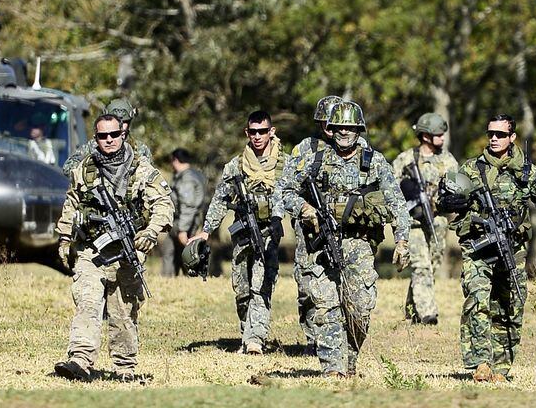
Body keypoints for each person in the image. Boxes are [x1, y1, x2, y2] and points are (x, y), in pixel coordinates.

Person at [437, 114, 536, 383]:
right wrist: (449, 203)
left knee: (510, 306)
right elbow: (444, 198)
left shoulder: (526, 171)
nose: (494, 138)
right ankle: (481, 363)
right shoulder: (470, 168)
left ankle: (500, 369)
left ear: (512, 137)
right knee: (477, 300)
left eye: (500, 134)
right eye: (491, 133)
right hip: (478, 248)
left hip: (512, 249)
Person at [273, 101, 410, 377]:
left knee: (360, 307)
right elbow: (285, 191)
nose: (344, 132)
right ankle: (332, 369)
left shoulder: (374, 162)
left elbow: (397, 204)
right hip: (321, 243)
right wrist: (305, 209)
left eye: (350, 127)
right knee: (326, 305)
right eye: (339, 127)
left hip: (359, 245)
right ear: (331, 129)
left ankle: (348, 361)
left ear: (359, 129)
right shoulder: (314, 158)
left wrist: (403, 241)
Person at [53, 114, 173, 381]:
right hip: (91, 250)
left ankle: (124, 366)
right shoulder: (84, 169)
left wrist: (151, 232)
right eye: (102, 136)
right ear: (95, 138)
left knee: (124, 310)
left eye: (113, 135)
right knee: (87, 301)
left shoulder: (141, 170)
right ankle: (80, 361)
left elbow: (163, 204)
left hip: (127, 250)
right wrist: (64, 237)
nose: (108, 140)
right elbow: (71, 203)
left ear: (123, 135)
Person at [189, 111, 288, 355]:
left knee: (261, 285)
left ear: (271, 132)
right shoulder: (236, 165)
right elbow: (221, 199)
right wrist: (206, 231)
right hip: (243, 232)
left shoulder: (285, 165)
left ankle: (256, 339)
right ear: (246, 133)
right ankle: (248, 332)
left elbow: (291, 196)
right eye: (252, 132)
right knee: (242, 290)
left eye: (262, 131)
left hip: (269, 233)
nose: (257, 136)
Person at [392, 113, 459, 325]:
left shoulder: (448, 161)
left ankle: (412, 310)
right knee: (420, 266)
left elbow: (459, 189)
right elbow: (391, 188)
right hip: (412, 223)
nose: (442, 137)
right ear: (425, 136)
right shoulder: (406, 159)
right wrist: (408, 195)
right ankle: (428, 314)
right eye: (438, 134)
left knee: (431, 266)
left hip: (437, 221)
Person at [63, 98, 152, 176]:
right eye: (116, 121)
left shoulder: (140, 149)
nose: (121, 126)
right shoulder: (94, 146)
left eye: (125, 122)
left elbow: (149, 176)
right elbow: (68, 168)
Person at [160, 148, 206, 276]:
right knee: (172, 251)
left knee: (185, 255)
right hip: (185, 221)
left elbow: (188, 206)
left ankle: (172, 281)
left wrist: (182, 230)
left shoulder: (187, 179)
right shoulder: (192, 174)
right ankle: (170, 281)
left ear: (175, 160)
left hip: (184, 222)